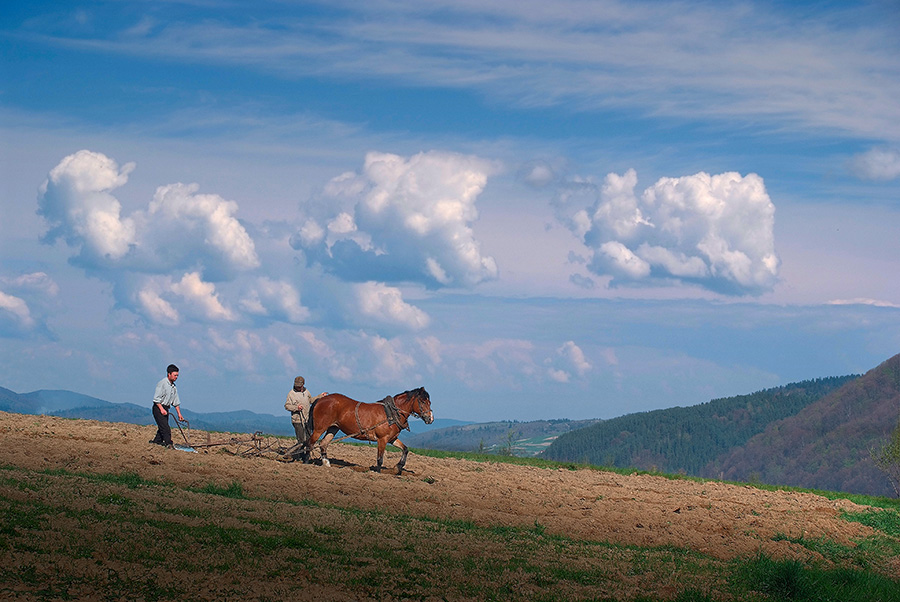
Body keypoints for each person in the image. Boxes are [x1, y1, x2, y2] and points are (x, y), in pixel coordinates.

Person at [285, 376, 326, 461]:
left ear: (303, 384)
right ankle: (295, 454)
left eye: (299, 385)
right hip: (297, 420)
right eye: (297, 385)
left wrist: (320, 396)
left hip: (307, 419)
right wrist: (296, 407)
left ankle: (306, 456)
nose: (298, 387)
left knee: (308, 440)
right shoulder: (291, 394)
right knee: (301, 440)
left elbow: (310, 400)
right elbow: (287, 406)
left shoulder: (306, 392)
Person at [150, 364, 185, 449]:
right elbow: (156, 399)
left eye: (177, 375)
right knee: (165, 428)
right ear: (169, 374)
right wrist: (161, 409)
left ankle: (156, 442)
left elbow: (176, 402)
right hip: (158, 408)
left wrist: (179, 414)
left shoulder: (173, 387)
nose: (176, 377)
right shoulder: (162, 384)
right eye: (175, 375)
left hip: (166, 408)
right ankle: (169, 444)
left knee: (162, 427)